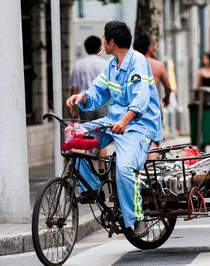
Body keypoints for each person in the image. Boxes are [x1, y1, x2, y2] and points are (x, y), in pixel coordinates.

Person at [66, 21, 162, 237]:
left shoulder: (137, 61)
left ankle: (137, 219)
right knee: (77, 136)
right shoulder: (111, 65)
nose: (103, 42)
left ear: (111, 42)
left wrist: (125, 121)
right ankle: (91, 189)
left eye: (104, 39)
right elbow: (97, 91)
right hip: (115, 121)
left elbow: (141, 98)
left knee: (125, 168)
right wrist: (81, 97)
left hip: (139, 125)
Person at [69, 36, 109, 172]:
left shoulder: (79, 64)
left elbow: (74, 88)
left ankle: (88, 170)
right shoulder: (104, 63)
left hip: (84, 103)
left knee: (86, 136)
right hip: (102, 104)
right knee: (102, 136)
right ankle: (102, 168)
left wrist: (73, 109)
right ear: (99, 47)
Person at [133, 35, 172, 159]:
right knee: (153, 140)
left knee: (135, 138)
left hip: (135, 106)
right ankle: (151, 171)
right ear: (149, 48)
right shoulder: (158, 65)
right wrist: (167, 98)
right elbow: (168, 86)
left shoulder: (131, 64)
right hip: (152, 106)